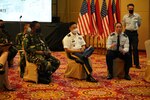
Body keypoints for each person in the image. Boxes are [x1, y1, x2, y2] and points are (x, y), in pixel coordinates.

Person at [122, 3, 142, 69]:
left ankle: (137, 64)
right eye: (129, 8)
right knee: (128, 49)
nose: (131, 9)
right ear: (127, 9)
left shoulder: (137, 16)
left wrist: (134, 28)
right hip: (127, 33)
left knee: (135, 48)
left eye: (132, 8)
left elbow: (139, 24)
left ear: (133, 8)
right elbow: (124, 25)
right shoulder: (125, 16)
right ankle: (129, 63)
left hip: (134, 34)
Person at [0, 19, 15, 91]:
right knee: (5, 53)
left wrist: (8, 44)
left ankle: (1, 65)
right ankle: (7, 85)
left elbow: (9, 39)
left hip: (2, 50)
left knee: (6, 52)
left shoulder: (4, 33)